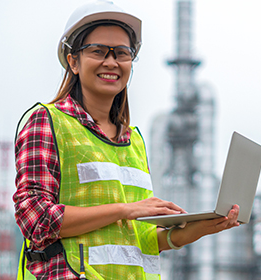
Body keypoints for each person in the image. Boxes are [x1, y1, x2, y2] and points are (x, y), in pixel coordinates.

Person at [13, 1, 240, 279]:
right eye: (98, 51)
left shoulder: (134, 142)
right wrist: (126, 210)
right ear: (73, 61)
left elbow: (140, 238)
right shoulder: (48, 122)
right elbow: (36, 220)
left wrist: (200, 228)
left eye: (122, 53)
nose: (111, 62)